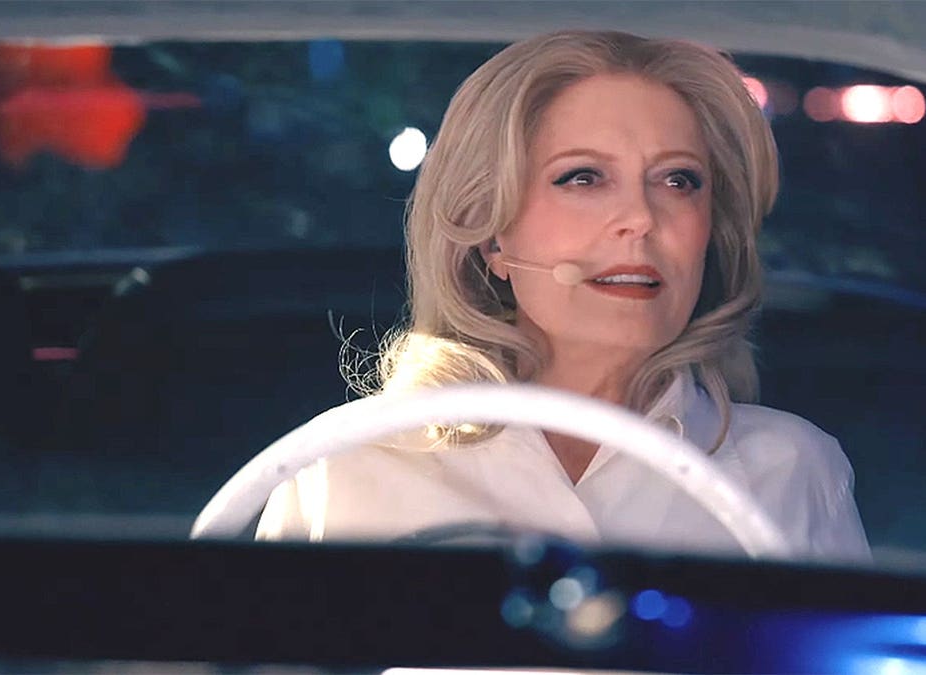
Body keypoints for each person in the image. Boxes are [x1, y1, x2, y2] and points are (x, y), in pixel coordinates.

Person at [256, 30, 870, 561]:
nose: (640, 218)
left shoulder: (793, 471)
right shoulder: (342, 466)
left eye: (678, 180)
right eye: (583, 177)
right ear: (490, 232)